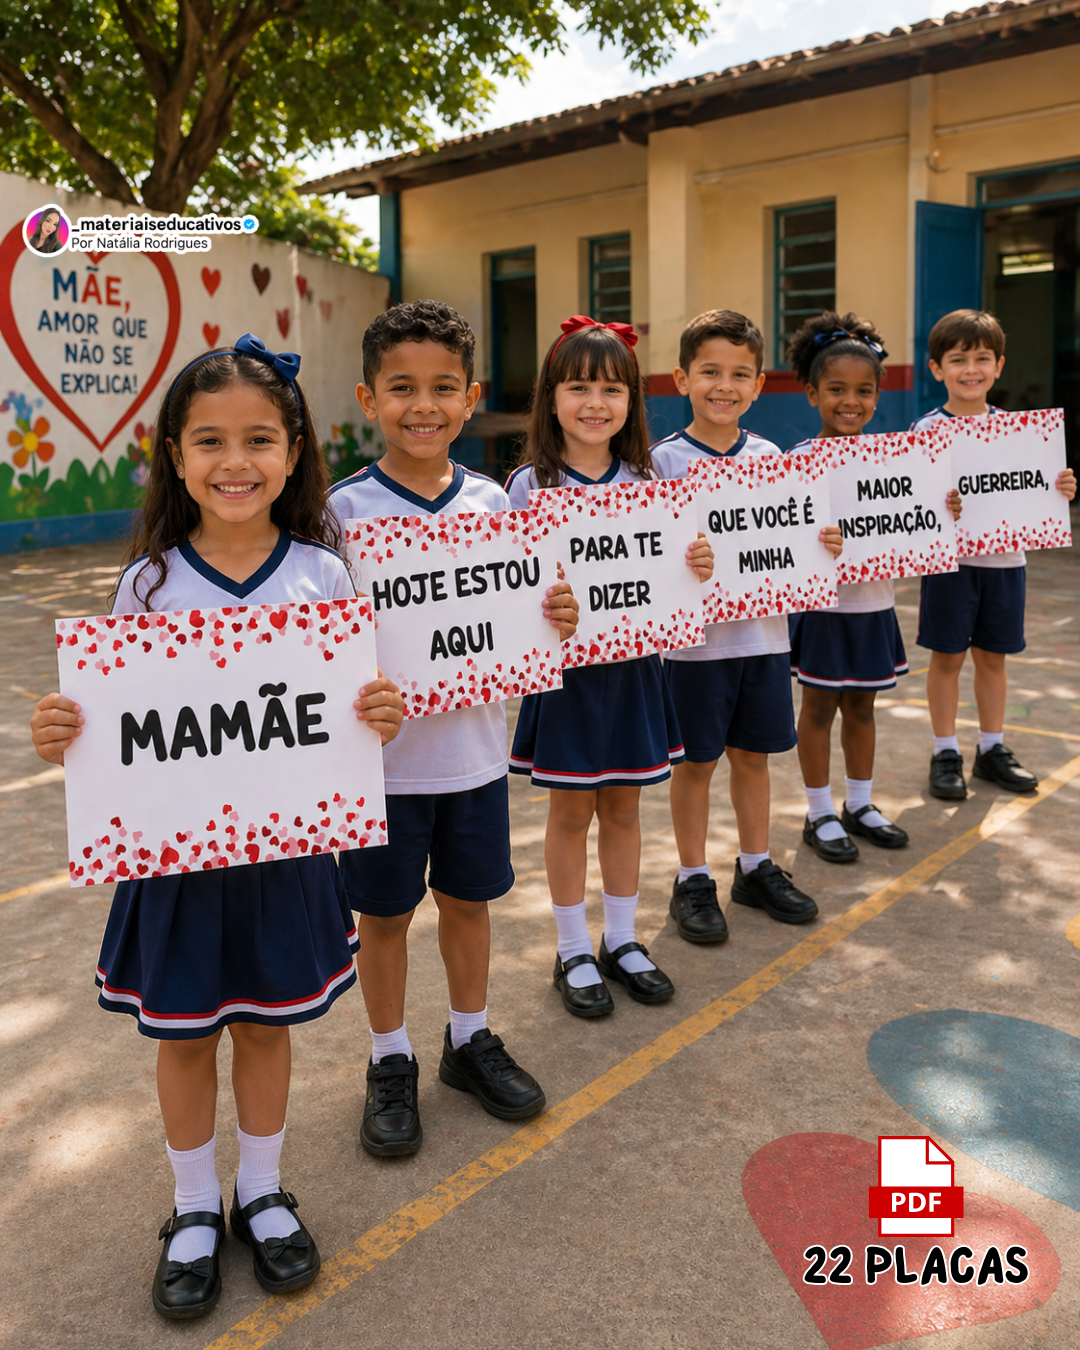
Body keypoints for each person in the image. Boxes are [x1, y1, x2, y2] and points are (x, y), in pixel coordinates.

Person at [30, 335, 405, 1320]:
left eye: (258, 440)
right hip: (179, 864)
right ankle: (195, 1206)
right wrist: (63, 728)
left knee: (269, 1029)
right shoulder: (146, 586)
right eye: (209, 442)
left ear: (293, 451)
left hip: (286, 858)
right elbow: (111, 731)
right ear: (174, 456)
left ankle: (263, 1193)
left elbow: (352, 706)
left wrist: (377, 714)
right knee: (190, 1036)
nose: (234, 463)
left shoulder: (324, 574)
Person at [327, 300, 579, 1157]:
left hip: (473, 757)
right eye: (401, 387)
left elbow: (532, 609)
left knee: (468, 905)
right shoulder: (339, 515)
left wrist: (557, 612)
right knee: (385, 919)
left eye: (442, 387)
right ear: (368, 398)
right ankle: (388, 1057)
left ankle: (468, 1039)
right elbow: (312, 644)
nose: (422, 405)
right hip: (383, 773)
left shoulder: (495, 503)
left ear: (471, 398)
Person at [505, 315, 713, 1019]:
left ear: (633, 401)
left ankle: (622, 941)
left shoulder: (652, 481)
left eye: (612, 389)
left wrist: (697, 565)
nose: (596, 403)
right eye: (578, 386)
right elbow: (506, 594)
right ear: (550, 398)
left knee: (624, 808)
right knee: (570, 813)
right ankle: (571, 949)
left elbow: (680, 573)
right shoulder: (527, 486)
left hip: (635, 673)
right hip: (566, 681)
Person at [651, 310, 841, 935]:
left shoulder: (774, 462)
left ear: (760, 385)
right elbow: (648, 561)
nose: (723, 386)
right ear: (682, 379)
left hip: (763, 640)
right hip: (693, 651)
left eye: (739, 374)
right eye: (709, 372)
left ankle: (756, 867)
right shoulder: (661, 465)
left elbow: (795, 541)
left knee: (754, 757)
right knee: (696, 764)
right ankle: (692, 878)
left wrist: (824, 544)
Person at [786, 312, 961, 863]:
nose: (850, 402)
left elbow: (917, 524)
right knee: (818, 709)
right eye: (836, 389)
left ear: (879, 396)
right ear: (812, 393)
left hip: (874, 606)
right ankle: (819, 812)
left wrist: (942, 509)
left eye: (864, 391)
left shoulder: (899, 461)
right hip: (822, 610)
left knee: (863, 708)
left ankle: (859, 804)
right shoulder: (796, 463)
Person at [911, 309, 1076, 799]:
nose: (971, 369)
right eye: (958, 359)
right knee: (946, 660)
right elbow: (913, 504)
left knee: (994, 659)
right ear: (936, 368)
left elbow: (1037, 489)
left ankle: (991, 749)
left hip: (1006, 565)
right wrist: (940, 505)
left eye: (982, 358)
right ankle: (945, 751)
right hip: (950, 567)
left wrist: (1060, 486)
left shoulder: (1023, 433)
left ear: (999, 366)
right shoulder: (925, 431)